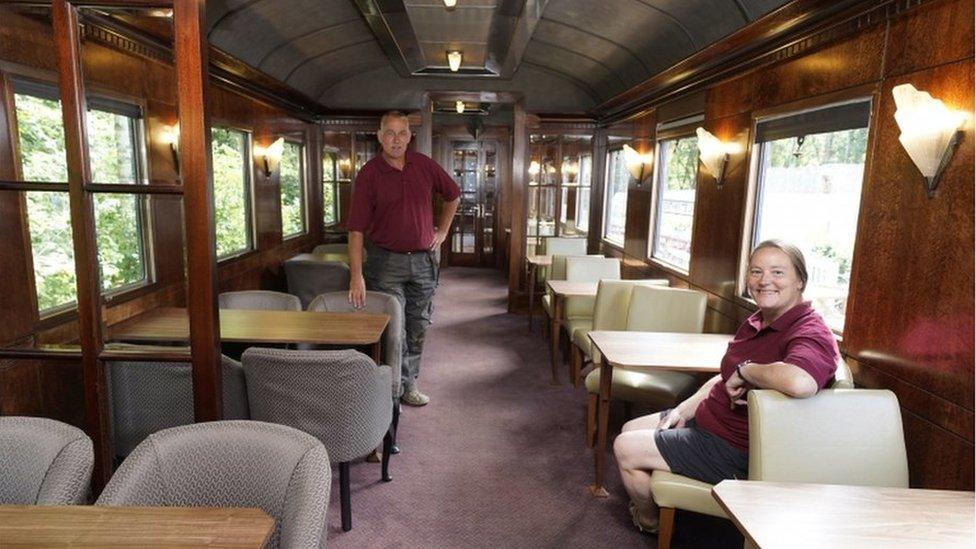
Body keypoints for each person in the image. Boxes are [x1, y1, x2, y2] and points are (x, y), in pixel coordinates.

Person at [613, 239, 839, 533]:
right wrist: (685, 408)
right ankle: (668, 498)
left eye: (777, 272)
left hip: (734, 449)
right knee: (630, 428)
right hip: (709, 422)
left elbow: (801, 381)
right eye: (756, 272)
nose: (764, 280)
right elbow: (724, 376)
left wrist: (748, 371)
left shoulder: (810, 331)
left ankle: (649, 521)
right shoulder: (759, 320)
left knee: (624, 447)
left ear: (801, 282)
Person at [347, 111, 460, 407]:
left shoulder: (423, 165)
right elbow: (356, 230)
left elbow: (453, 195)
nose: (395, 139)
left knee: (418, 325)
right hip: (385, 265)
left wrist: (443, 231)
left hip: (423, 263)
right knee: (394, 330)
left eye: (401, 133)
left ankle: (409, 384)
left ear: (409, 136)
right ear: (379, 136)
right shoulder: (369, 174)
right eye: (389, 133)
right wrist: (356, 275)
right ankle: (392, 390)